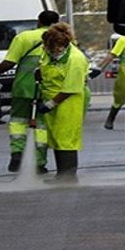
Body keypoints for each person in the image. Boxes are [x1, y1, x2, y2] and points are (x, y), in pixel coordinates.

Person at [0, 9, 58, 172]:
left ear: (39, 21)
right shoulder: (60, 39)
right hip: (48, 89)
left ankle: (17, 154)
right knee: (42, 125)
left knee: (19, 121)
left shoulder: (23, 37)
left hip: (23, 87)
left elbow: (9, 63)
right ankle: (39, 162)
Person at [36, 23, 89, 180]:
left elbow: (70, 88)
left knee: (66, 137)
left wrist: (51, 103)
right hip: (51, 99)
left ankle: (67, 174)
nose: (50, 50)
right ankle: (61, 173)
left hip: (68, 101)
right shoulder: (48, 53)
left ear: (63, 44)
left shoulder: (76, 59)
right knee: (56, 137)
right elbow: (44, 66)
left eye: (53, 47)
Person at [93, 32, 125, 130]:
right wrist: (99, 68)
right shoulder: (124, 40)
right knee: (120, 97)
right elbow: (111, 55)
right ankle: (110, 119)